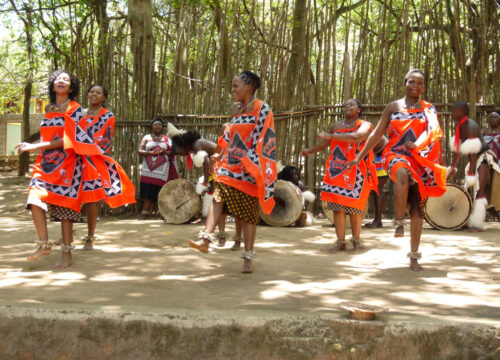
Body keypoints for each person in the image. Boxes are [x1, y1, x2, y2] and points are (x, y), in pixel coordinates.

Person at [348, 69, 446, 272]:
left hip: (419, 159)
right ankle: (399, 221)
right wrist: (360, 155)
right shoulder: (393, 107)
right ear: (405, 83)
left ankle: (414, 257)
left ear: (423, 86)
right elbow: (377, 134)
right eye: (412, 82)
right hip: (395, 155)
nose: (416, 86)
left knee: (417, 208)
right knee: (401, 171)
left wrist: (416, 144)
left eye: (420, 83)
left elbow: (432, 132)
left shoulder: (428, 109)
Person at [188, 70, 277, 273]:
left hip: (250, 168)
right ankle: (205, 239)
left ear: (250, 86)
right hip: (229, 166)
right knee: (218, 197)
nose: (233, 90)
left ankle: (248, 258)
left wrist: (250, 161)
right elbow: (228, 134)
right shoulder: (236, 109)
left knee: (248, 215)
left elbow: (265, 138)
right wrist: (220, 154)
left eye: (236, 86)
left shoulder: (262, 109)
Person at [15, 70, 84, 268]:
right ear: (53, 85)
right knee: (34, 198)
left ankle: (67, 255)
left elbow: (69, 139)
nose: (61, 81)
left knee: (65, 209)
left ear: (71, 87)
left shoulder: (75, 109)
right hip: (45, 163)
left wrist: (35, 146)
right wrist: (36, 146)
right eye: (58, 79)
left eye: (66, 79)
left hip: (68, 163)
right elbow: (48, 137)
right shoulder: (50, 108)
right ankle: (44, 244)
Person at [301, 98, 377, 251]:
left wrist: (330, 136)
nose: (347, 106)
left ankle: (356, 241)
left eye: (352, 104)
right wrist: (310, 151)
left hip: (357, 170)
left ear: (359, 110)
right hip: (336, 170)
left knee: (355, 207)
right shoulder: (336, 126)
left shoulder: (364, 125)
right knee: (337, 207)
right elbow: (325, 143)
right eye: (346, 104)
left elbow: (356, 137)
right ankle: (340, 242)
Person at [77, 84, 136, 248]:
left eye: (98, 92)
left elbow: (104, 141)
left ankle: (90, 237)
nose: (94, 94)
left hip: (93, 160)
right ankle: (66, 234)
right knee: (70, 196)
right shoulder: (79, 114)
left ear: (104, 97)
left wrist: (86, 148)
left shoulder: (108, 116)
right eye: (91, 91)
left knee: (91, 198)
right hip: (75, 158)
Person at [447, 102, 500, 231]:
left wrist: (471, 174)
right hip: (475, 158)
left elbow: (473, 154)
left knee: (480, 190)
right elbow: (458, 149)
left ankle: (477, 225)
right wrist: (453, 166)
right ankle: (469, 220)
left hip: (484, 158)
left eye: (455, 111)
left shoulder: (470, 126)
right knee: (474, 190)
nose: (452, 113)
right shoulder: (458, 125)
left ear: (463, 111)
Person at [138, 118, 178, 219]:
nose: (157, 126)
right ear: (152, 127)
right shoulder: (146, 137)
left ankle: (162, 213)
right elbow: (140, 151)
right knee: (147, 191)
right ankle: (145, 212)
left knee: (161, 192)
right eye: (155, 125)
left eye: (159, 125)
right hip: (148, 170)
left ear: (162, 127)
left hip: (162, 172)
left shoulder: (166, 139)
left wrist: (164, 151)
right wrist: (151, 153)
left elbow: (171, 153)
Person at [364, 136, 389, 228]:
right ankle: (377, 220)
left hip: (385, 155)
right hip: (382, 156)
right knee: (376, 189)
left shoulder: (363, 133)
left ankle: (378, 221)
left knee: (377, 188)